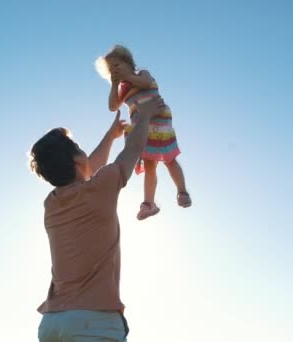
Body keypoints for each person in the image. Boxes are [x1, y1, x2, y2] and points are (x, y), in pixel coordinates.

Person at [29, 97, 166, 341]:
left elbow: (88, 168)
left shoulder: (51, 203)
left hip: (52, 323)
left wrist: (111, 135)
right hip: (93, 321)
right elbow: (133, 150)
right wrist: (144, 116)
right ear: (77, 160)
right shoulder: (100, 187)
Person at [95, 44, 192, 220]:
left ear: (129, 63)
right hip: (143, 125)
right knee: (149, 165)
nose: (115, 71)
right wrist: (115, 83)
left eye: (117, 66)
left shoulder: (141, 74)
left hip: (159, 118)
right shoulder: (123, 89)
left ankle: (182, 191)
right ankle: (148, 203)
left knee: (169, 159)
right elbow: (112, 106)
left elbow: (146, 83)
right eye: (111, 70)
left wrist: (128, 76)